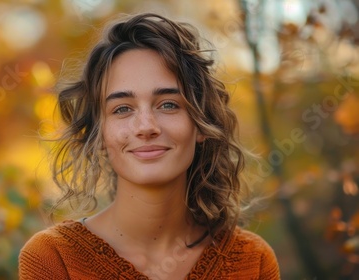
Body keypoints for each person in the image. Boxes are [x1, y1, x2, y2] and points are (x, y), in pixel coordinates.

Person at [19, 13, 280, 279]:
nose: (146, 126)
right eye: (122, 109)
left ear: (201, 125)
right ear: (99, 135)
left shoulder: (253, 261)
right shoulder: (53, 258)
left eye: (168, 104)